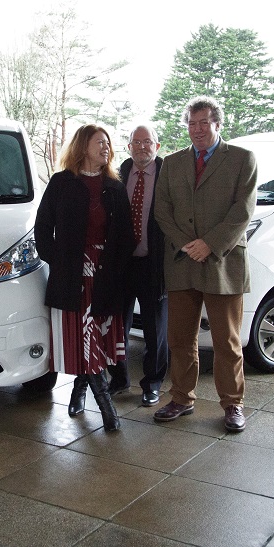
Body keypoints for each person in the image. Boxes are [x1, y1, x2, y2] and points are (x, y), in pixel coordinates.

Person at [152, 96, 258, 432]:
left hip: (223, 262)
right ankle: (181, 398)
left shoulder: (242, 159)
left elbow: (242, 211)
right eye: (192, 123)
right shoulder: (172, 162)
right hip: (182, 261)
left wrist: (209, 244)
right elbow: (162, 211)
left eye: (204, 123)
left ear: (217, 124)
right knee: (180, 337)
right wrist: (187, 243)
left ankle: (233, 404)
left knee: (227, 341)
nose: (197, 130)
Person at [34, 124, 135, 432]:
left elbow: (127, 237)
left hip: (105, 277)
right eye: (99, 142)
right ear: (83, 147)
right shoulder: (62, 182)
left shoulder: (115, 187)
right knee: (81, 339)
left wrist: (113, 266)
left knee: (95, 340)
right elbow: (42, 230)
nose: (106, 147)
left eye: (108, 143)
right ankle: (106, 406)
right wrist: (63, 263)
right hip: (71, 277)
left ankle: (80, 389)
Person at [108, 124, 169, 407]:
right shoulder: (119, 173)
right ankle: (119, 378)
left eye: (148, 142)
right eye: (136, 142)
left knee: (155, 329)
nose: (142, 146)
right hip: (122, 264)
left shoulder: (168, 174)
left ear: (157, 146)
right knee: (118, 324)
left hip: (154, 264)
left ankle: (152, 383)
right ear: (129, 146)